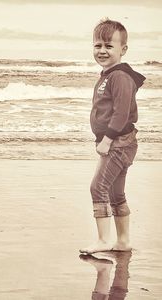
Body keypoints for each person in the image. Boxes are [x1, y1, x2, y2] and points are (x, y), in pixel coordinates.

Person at [80, 18, 146, 254]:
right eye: (98, 45)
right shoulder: (108, 75)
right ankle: (123, 241)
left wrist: (107, 139)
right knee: (115, 193)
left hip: (119, 142)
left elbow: (121, 113)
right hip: (117, 142)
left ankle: (103, 240)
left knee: (98, 188)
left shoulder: (119, 77)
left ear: (123, 49)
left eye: (109, 46)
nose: (102, 51)